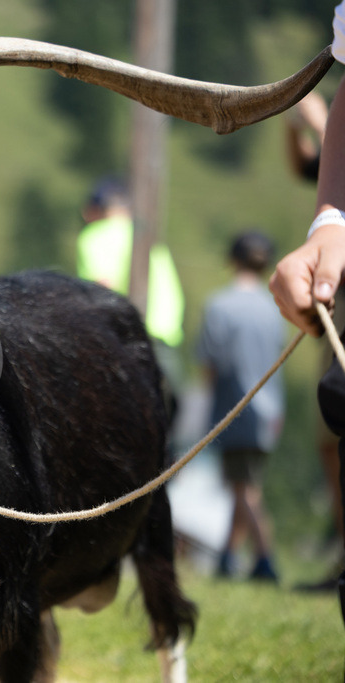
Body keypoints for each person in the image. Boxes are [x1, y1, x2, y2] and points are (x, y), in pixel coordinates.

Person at [269, 0, 345, 625]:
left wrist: (315, 114)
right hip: (338, 285)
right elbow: (304, 166)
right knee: (335, 416)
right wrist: (329, 222)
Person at [198, 231, 285, 582]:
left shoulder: (220, 304)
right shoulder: (273, 307)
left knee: (245, 487)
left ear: (232, 259)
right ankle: (228, 557)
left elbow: (209, 364)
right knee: (243, 482)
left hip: (234, 408)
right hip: (270, 410)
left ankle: (265, 558)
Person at [77, 177, 186, 410]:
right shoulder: (148, 239)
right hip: (165, 341)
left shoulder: (95, 236)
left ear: (93, 211)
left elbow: (101, 290)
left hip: (126, 342)